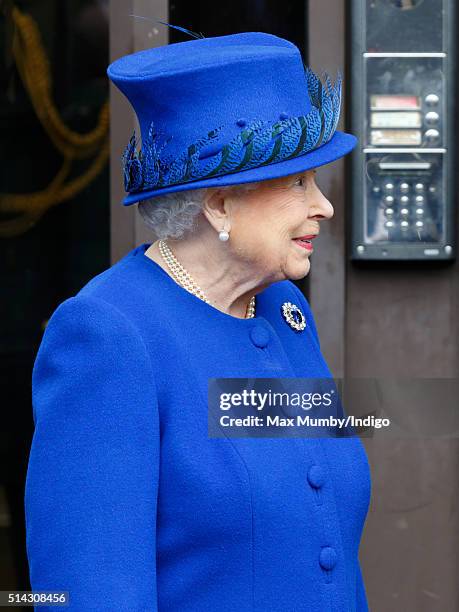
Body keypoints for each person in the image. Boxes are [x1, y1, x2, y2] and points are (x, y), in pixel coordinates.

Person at [25, 30, 371, 611]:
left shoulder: (287, 312)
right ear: (219, 205)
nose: (324, 206)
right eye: (297, 182)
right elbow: (87, 594)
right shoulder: (108, 337)